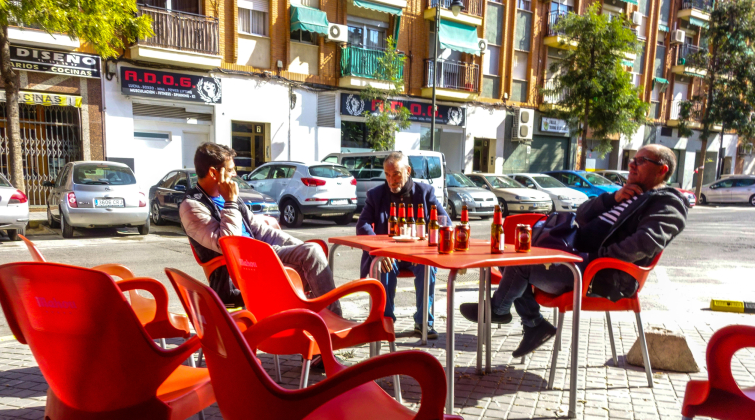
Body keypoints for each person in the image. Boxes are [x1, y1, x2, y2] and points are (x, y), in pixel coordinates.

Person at [460, 144, 688, 357]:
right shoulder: (627, 194)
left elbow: (646, 242)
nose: (631, 165)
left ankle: (499, 310)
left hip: (600, 274)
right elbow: (581, 215)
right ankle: (533, 325)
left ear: (662, 170)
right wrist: (612, 198)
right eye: (632, 159)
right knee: (513, 258)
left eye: (641, 161)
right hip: (578, 261)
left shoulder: (667, 202)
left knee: (521, 264)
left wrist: (598, 258)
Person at [180, 142, 341, 316]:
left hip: (261, 257)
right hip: (241, 272)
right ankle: (332, 320)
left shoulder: (227, 196)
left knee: (312, 254)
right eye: (231, 170)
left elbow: (259, 230)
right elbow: (228, 243)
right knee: (312, 256)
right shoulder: (192, 207)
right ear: (213, 172)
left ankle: (304, 325)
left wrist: (298, 246)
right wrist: (230, 203)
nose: (235, 175)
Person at [356, 151, 450, 339]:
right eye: (387, 174)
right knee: (383, 265)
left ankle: (424, 323)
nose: (391, 180)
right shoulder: (376, 195)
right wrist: (380, 251)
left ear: (408, 171)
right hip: (389, 253)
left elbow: (445, 222)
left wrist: (424, 248)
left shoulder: (425, 193)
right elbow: (362, 225)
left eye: (396, 174)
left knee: (427, 267)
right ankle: (386, 320)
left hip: (418, 254)